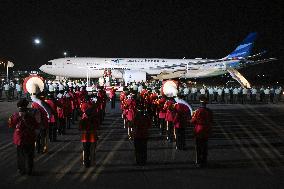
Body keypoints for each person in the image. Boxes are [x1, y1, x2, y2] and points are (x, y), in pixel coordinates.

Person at [8, 98, 39, 175]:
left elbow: (11, 125)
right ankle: (30, 170)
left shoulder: (14, 115)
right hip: (29, 137)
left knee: (21, 155)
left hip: (19, 138)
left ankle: (21, 170)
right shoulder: (32, 114)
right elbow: (36, 125)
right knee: (30, 155)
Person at [191, 95, 213, 168]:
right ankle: (204, 160)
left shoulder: (197, 111)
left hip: (199, 129)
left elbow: (193, 121)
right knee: (205, 146)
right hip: (206, 129)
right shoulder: (209, 111)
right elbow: (211, 121)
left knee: (198, 147)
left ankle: (198, 161)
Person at [79, 96, 98, 168]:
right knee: (92, 150)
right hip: (92, 135)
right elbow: (97, 125)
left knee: (85, 149)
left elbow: (80, 127)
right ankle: (92, 162)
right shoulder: (94, 117)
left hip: (85, 136)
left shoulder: (83, 118)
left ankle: (86, 162)